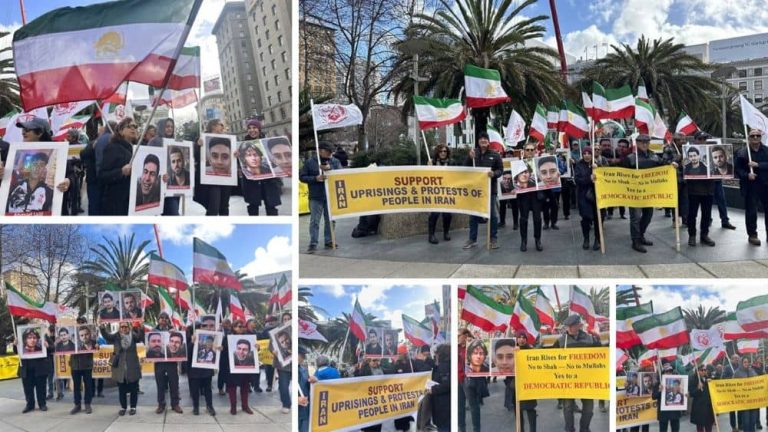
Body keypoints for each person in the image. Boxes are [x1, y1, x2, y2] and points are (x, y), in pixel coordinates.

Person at [555, 314, 601, 432]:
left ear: (579, 325)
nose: (569, 329)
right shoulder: (560, 341)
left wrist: (598, 339)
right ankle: (569, 429)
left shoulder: (590, 339)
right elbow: (546, 356)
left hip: (587, 380)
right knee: (568, 407)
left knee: (589, 408)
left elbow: (602, 354)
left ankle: (584, 429)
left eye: (572, 326)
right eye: (568, 326)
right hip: (568, 380)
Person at [625, 134, 669, 253]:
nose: (644, 144)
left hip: (649, 193)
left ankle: (641, 235)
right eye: (642, 142)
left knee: (648, 216)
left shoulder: (654, 156)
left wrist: (673, 164)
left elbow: (665, 165)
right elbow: (622, 175)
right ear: (637, 143)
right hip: (635, 193)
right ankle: (635, 241)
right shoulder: (630, 158)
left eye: (646, 142)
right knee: (635, 218)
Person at [463, 132, 502, 249]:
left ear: (488, 141)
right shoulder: (473, 153)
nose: (483, 140)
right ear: (478, 142)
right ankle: (472, 239)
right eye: (481, 139)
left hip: (490, 190)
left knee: (492, 215)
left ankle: (493, 239)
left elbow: (500, 170)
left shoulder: (495, 155)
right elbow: (465, 168)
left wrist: (494, 173)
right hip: (476, 190)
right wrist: (469, 158)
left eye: (485, 139)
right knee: (473, 215)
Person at [300, 141, 341, 252]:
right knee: (315, 221)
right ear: (320, 151)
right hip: (315, 196)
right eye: (328, 152)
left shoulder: (335, 161)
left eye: (331, 152)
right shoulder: (310, 162)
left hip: (330, 196)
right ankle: (313, 243)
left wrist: (330, 169)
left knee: (331, 220)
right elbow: (302, 177)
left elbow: (341, 175)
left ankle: (329, 241)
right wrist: (315, 178)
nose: (330, 154)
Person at [100, 321, 143, 416]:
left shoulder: (134, 336)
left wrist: (141, 326)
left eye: (125, 327)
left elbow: (140, 338)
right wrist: (102, 327)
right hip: (120, 367)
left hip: (132, 366)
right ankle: (123, 407)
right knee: (122, 390)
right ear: (119, 328)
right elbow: (107, 336)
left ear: (129, 327)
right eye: (122, 327)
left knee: (133, 389)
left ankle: (133, 407)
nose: (124, 328)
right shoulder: (116, 336)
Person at [239, 120, 282, 215]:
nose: (252, 130)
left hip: (269, 182)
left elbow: (277, 164)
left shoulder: (267, 142)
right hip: (251, 182)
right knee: (253, 207)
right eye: (249, 128)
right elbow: (239, 165)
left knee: (271, 207)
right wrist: (236, 156)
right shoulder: (241, 145)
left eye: (254, 127)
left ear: (259, 129)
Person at [736, 128, 768, 245]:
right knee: (751, 211)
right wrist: (747, 175)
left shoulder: (766, 150)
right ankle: (752, 235)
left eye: (758, 136)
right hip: (751, 186)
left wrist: (758, 165)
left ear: (760, 137)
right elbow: (737, 169)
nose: (755, 138)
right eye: (753, 136)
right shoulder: (742, 152)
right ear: (749, 137)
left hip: (765, 184)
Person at [99, 118, 137, 215]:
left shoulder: (135, 148)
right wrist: (121, 172)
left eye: (135, 126)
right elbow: (102, 176)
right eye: (129, 126)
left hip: (132, 201)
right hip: (116, 203)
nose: (133, 129)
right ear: (121, 131)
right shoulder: (113, 147)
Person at [686, 133, 717, 247]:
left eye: (705, 139)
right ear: (695, 140)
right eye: (700, 139)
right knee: (692, 214)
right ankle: (692, 236)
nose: (703, 140)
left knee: (707, 214)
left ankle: (704, 235)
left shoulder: (708, 163)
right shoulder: (687, 166)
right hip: (693, 191)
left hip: (708, 190)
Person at [574, 146, 607, 251]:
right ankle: (586, 239)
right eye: (585, 153)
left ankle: (597, 239)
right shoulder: (579, 166)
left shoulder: (598, 164)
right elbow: (578, 180)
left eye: (589, 153)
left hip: (598, 196)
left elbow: (605, 177)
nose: (587, 155)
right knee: (586, 218)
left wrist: (597, 168)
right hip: (584, 196)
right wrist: (589, 177)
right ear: (582, 155)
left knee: (599, 219)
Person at [505, 331, 537, 432]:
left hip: (528, 385)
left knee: (530, 409)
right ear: (516, 339)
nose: (521, 339)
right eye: (519, 337)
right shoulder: (512, 351)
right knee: (518, 411)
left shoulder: (531, 350)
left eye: (524, 337)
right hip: (515, 386)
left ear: (526, 340)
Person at [187, 316, 217, 416]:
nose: (207, 327)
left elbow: (218, 353)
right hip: (194, 370)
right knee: (195, 390)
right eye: (205, 325)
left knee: (208, 389)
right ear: (200, 326)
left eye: (211, 325)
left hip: (206, 369)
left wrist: (220, 348)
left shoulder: (216, 337)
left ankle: (210, 406)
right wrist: (192, 342)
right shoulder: (192, 336)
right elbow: (187, 353)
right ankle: (196, 407)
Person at [153, 312, 183, 414]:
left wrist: (175, 332)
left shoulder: (173, 330)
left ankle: (175, 404)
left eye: (166, 318)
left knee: (174, 383)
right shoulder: (153, 331)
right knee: (160, 384)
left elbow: (180, 341)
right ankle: (161, 405)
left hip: (171, 362)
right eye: (161, 318)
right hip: (159, 362)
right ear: (158, 319)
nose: (164, 319)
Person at [16, 327, 50, 413]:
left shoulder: (44, 336)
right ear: (25, 339)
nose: (32, 340)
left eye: (34, 338)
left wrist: (48, 346)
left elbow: (53, 348)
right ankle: (30, 405)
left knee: (41, 388)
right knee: (28, 389)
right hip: (26, 369)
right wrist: (15, 344)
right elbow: (15, 351)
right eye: (29, 338)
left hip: (40, 368)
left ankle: (42, 404)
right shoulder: (19, 337)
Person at [516, 147, 544, 252]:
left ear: (535, 151)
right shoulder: (518, 164)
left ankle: (538, 240)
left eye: (532, 150)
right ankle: (523, 241)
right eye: (528, 150)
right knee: (523, 219)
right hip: (523, 196)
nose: (530, 152)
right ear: (524, 151)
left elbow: (544, 179)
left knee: (537, 219)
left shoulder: (538, 163)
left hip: (536, 196)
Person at [225, 319, 255, 414]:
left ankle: (245, 406)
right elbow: (223, 352)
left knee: (245, 387)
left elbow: (253, 352)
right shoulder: (227, 338)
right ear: (233, 328)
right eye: (239, 326)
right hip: (231, 368)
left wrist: (256, 347)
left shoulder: (249, 338)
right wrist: (221, 348)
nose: (241, 328)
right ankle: (233, 407)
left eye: (242, 326)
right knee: (232, 388)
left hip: (245, 369)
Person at [427, 144, 453, 244]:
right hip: (435, 193)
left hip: (447, 192)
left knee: (447, 215)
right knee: (435, 214)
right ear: (438, 152)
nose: (443, 153)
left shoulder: (451, 163)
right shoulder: (432, 162)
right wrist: (428, 168)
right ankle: (431, 235)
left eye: (445, 151)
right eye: (441, 151)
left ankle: (446, 232)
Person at [70, 317, 96, 415]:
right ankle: (77, 405)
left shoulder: (94, 343)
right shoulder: (73, 342)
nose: (84, 337)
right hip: (75, 365)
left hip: (87, 366)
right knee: (76, 386)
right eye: (79, 323)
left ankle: (87, 404)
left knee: (88, 386)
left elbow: (98, 348)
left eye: (83, 323)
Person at [662, 133, 688, 225]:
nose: (683, 141)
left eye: (684, 139)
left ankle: (685, 220)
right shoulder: (668, 148)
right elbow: (664, 162)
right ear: (676, 140)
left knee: (685, 200)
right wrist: (676, 160)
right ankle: (675, 219)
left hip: (685, 178)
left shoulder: (686, 148)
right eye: (681, 140)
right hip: (675, 178)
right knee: (675, 200)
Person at [272, 312, 292, 414]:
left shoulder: (295, 332)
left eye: (288, 318)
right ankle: (286, 404)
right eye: (285, 319)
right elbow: (271, 346)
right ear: (282, 320)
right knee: (283, 385)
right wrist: (274, 352)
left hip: (294, 365)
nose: (287, 320)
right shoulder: (276, 333)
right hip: (282, 366)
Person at [652, 363, 682, 432]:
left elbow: (681, 395)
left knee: (675, 429)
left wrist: (685, 395)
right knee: (663, 430)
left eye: (670, 371)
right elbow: (653, 396)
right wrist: (659, 391)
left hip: (674, 411)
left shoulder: (676, 382)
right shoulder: (658, 383)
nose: (669, 373)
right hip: (663, 413)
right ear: (663, 373)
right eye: (667, 371)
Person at [430, 343, 451, 432]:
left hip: (443, 405)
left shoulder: (444, 366)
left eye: (436, 354)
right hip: (444, 405)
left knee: (444, 427)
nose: (435, 356)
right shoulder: (444, 365)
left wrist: (433, 389)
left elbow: (447, 385)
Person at [734, 356, 758, 431]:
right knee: (746, 421)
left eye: (747, 362)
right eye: (744, 362)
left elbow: (758, 381)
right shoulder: (737, 373)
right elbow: (732, 385)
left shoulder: (752, 371)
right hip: (744, 401)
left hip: (753, 400)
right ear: (741, 363)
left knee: (753, 420)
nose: (746, 364)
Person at [689, 363, 716, 432]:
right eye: (702, 370)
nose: (704, 371)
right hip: (699, 407)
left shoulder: (708, 379)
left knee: (709, 426)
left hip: (708, 407)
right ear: (698, 371)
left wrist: (711, 383)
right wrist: (698, 388)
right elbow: (691, 393)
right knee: (700, 427)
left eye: (705, 370)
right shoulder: (693, 379)